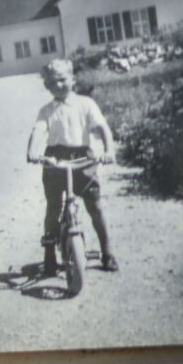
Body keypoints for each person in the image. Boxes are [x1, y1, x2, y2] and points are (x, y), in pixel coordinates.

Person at [25, 57, 117, 277]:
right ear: (46, 85)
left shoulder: (85, 103)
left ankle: (107, 251)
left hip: (82, 157)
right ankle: (49, 254)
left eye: (63, 80)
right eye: (52, 82)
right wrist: (32, 151)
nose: (58, 85)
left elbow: (103, 127)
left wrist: (108, 150)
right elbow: (38, 130)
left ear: (73, 79)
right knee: (54, 207)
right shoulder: (46, 110)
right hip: (55, 159)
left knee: (95, 206)